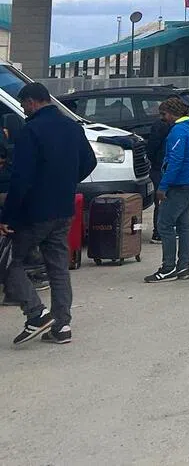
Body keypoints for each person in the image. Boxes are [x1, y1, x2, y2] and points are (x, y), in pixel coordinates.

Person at [0, 82, 96, 346]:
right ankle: (62, 325)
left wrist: (7, 217)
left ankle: (36, 314)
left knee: (9, 262)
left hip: (35, 212)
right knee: (57, 267)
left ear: (32, 102)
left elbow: (20, 179)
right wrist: (66, 183)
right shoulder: (72, 127)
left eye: (23, 105)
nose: (23, 110)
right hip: (64, 208)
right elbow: (90, 161)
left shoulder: (31, 131)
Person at [145, 97, 189, 284]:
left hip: (179, 183)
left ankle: (168, 267)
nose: (163, 118)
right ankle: (183, 266)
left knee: (165, 224)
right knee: (184, 224)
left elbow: (175, 161)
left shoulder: (178, 131)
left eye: (164, 114)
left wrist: (163, 186)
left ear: (172, 113)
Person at [145, 112, 170, 243]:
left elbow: (152, 147)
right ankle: (164, 230)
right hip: (167, 166)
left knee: (160, 201)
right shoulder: (181, 127)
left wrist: (151, 159)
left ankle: (159, 232)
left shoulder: (159, 125)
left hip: (159, 166)